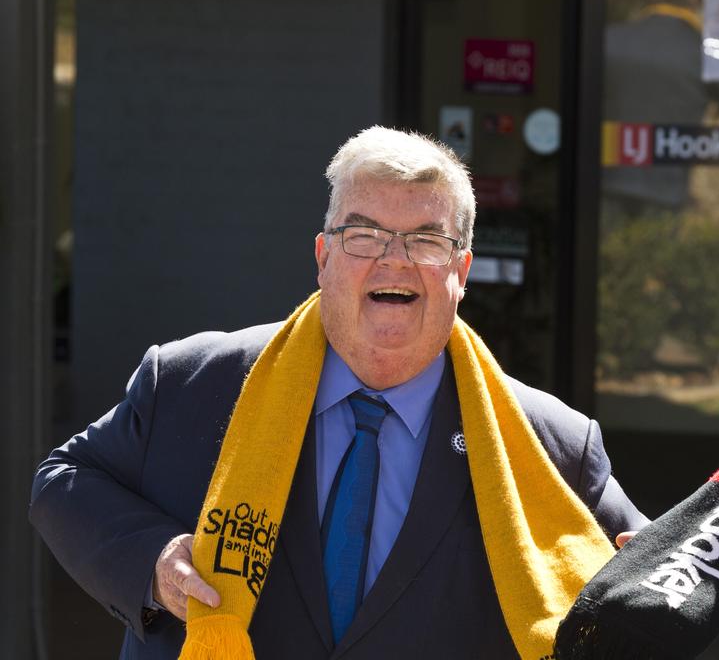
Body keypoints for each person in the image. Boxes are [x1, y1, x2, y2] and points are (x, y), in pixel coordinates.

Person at [30, 126, 646, 658]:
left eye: (426, 240)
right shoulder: (192, 381)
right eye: (364, 235)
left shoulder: (550, 442)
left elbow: (656, 573)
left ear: (461, 273)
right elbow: (63, 482)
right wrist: (156, 565)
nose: (393, 260)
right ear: (323, 257)